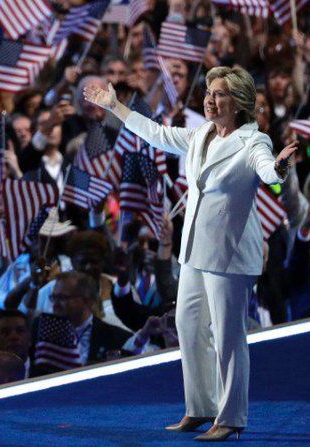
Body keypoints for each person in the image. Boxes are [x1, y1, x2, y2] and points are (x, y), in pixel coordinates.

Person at [84, 65, 298, 441]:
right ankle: (200, 407)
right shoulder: (201, 134)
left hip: (229, 255)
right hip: (195, 249)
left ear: (240, 102)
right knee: (187, 323)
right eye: (209, 92)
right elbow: (158, 133)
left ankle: (231, 417)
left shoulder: (254, 142)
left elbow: (269, 172)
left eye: (219, 94)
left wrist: (280, 167)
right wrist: (116, 107)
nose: (210, 100)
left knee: (229, 335)